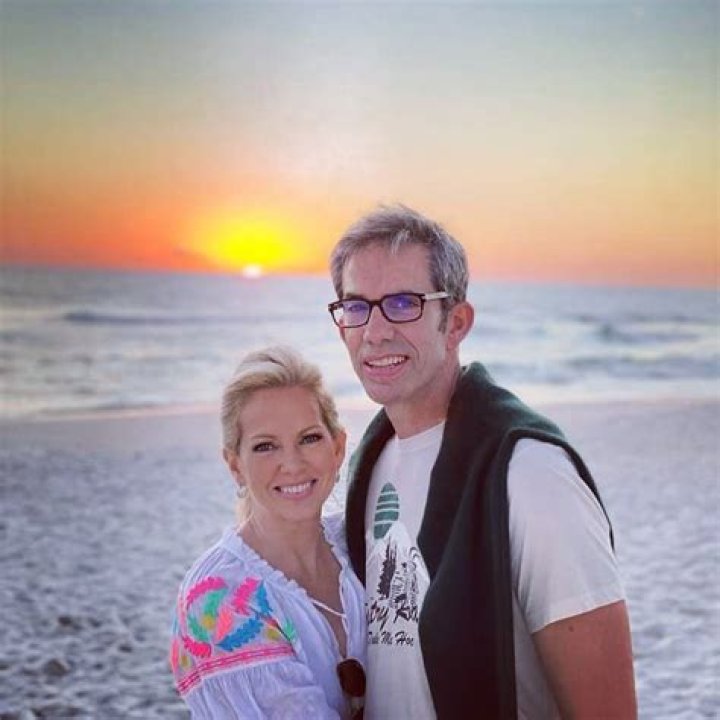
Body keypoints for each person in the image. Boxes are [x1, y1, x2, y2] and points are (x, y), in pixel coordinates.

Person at [327, 205, 637, 719]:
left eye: (403, 303)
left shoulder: (530, 473)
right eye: (356, 306)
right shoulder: (370, 462)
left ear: (456, 323)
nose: (374, 331)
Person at [170, 346, 367, 719]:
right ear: (235, 466)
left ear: (338, 448)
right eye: (265, 446)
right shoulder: (216, 598)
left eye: (309, 438)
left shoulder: (364, 545)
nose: (291, 464)